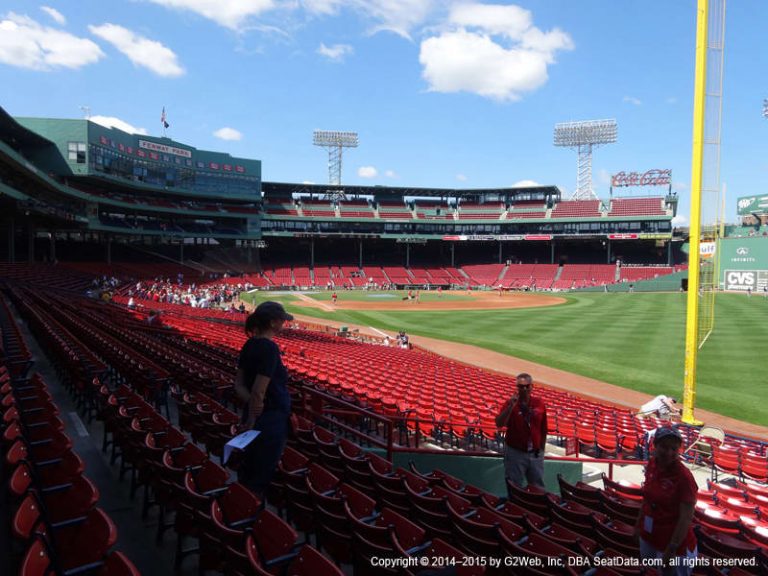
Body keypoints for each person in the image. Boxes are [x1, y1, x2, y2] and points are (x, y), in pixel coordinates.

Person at [233, 301, 294, 498]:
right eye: (282, 320)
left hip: (255, 415)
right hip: (269, 421)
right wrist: (253, 419)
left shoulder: (249, 344)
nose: (285, 323)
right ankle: (246, 520)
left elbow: (239, 386)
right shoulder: (269, 348)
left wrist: (251, 412)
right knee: (259, 478)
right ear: (273, 323)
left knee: (249, 470)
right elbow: (260, 390)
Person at [635, 426, 698, 575]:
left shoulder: (684, 477)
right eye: (664, 447)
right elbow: (647, 500)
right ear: (655, 445)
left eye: (674, 449)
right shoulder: (652, 464)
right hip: (649, 537)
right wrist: (638, 525)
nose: (669, 453)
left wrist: (672, 549)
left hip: (675, 548)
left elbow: (686, 518)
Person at [495, 373, 548, 490]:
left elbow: (544, 429)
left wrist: (541, 450)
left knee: (537, 488)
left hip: (535, 453)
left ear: (532, 386)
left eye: (527, 386)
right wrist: (511, 406)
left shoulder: (539, 403)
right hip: (515, 453)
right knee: (514, 486)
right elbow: (499, 423)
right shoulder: (510, 403)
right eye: (521, 386)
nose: (524, 389)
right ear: (517, 387)